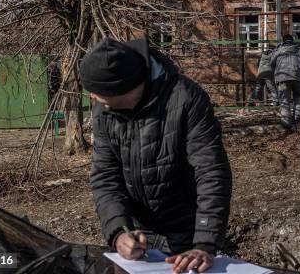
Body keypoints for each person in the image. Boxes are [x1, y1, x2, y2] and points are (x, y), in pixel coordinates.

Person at [81, 37, 232, 274]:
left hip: (188, 234)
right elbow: (105, 176)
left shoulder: (185, 98)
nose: (91, 96)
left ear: (122, 88)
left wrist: (205, 243)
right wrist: (119, 232)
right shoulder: (105, 111)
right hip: (138, 238)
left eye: (97, 91)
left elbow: (210, 171)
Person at [270, 34, 300, 127]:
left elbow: (271, 63)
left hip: (282, 77)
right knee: (299, 96)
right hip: (298, 76)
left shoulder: (278, 50)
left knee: (284, 99)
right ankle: (297, 117)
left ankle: (286, 121)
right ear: (293, 40)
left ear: (283, 41)